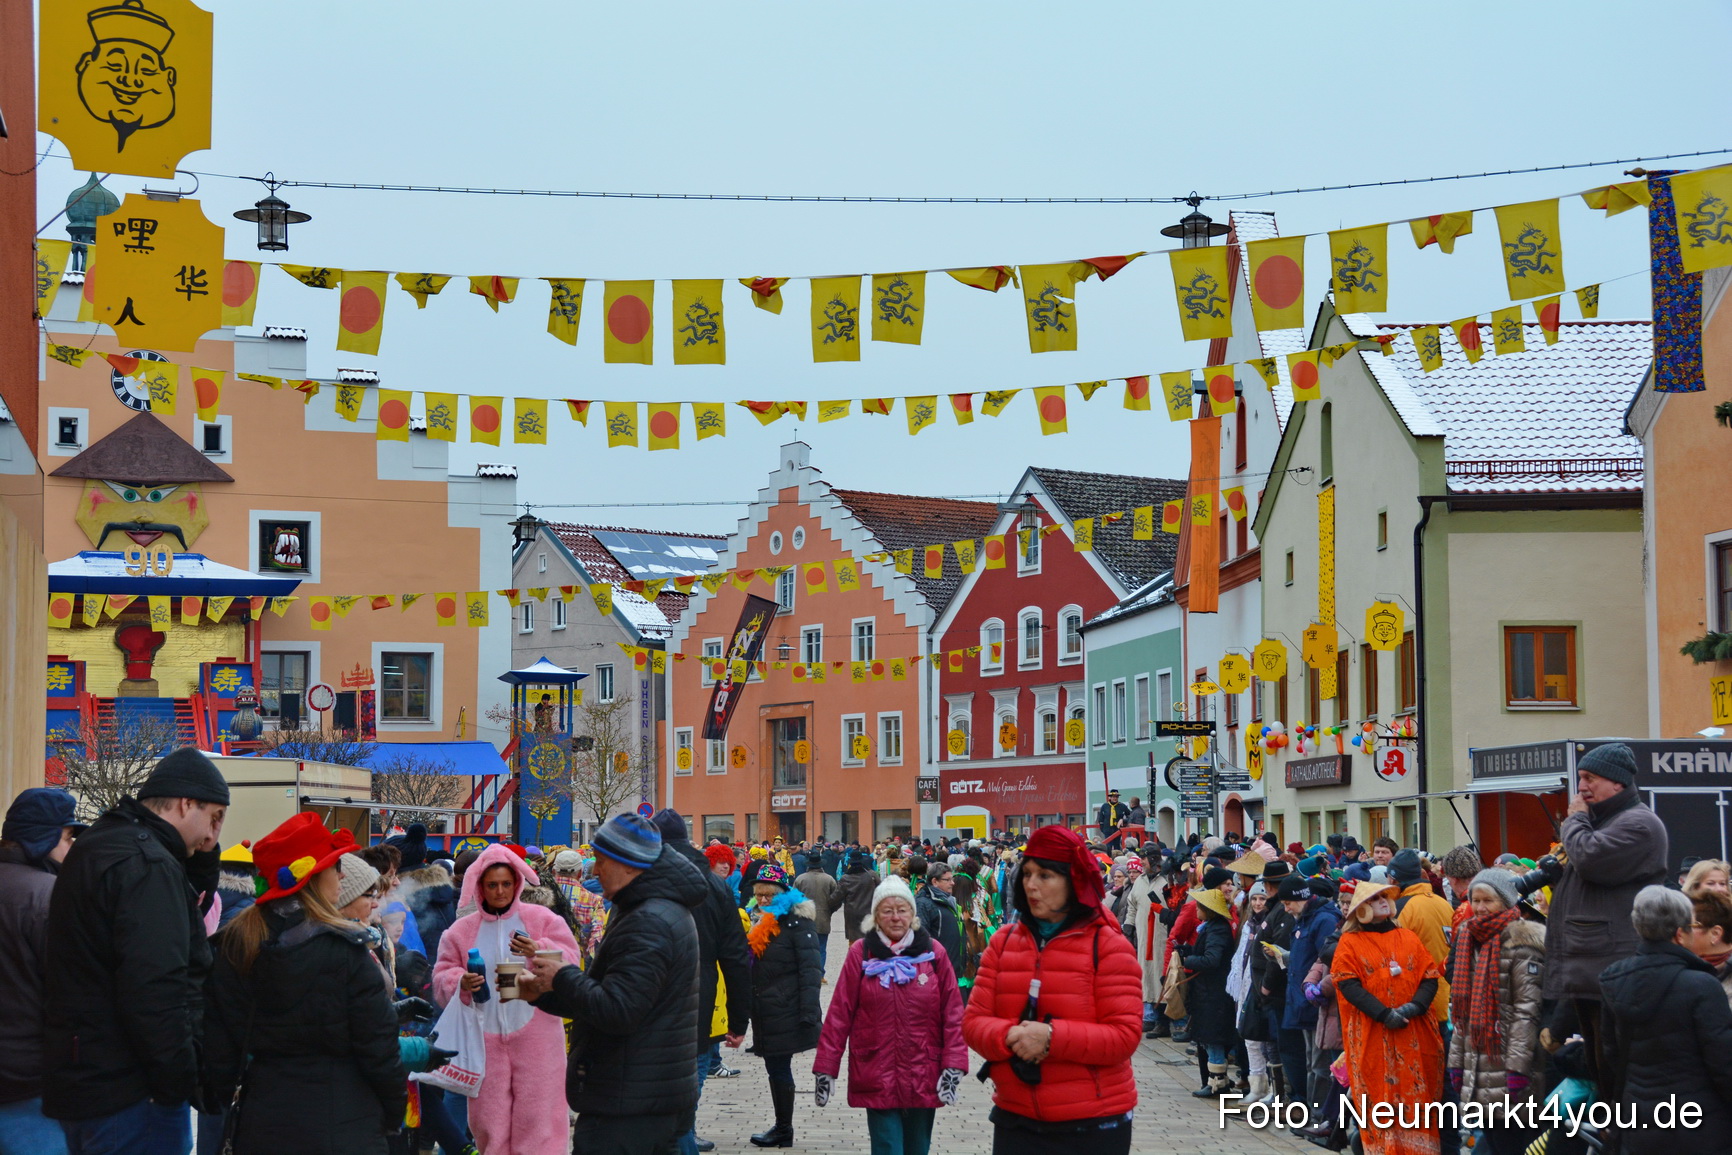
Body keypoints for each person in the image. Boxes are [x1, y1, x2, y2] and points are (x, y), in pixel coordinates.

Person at [44, 748, 228, 1154]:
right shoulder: (148, 864)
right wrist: (182, 1081)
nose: (214, 834)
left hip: (87, 1077)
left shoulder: (101, 846)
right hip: (132, 1090)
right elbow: (157, 988)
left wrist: (200, 857)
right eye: (214, 818)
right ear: (186, 804)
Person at [201, 814, 406, 1154]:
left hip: (262, 1124)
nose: (341, 874)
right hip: (346, 1126)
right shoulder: (345, 952)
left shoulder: (236, 945)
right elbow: (380, 1052)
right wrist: (391, 1115)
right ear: (312, 876)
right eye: (334, 865)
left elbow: (218, 1052)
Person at [515, 815, 708, 1155]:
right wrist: (545, 995)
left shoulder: (649, 920)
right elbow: (605, 990)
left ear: (629, 864)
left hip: (630, 1103)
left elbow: (619, 1010)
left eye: (601, 861)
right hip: (640, 1094)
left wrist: (561, 974)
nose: (594, 870)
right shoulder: (642, 908)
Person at [962, 825, 1141, 1154]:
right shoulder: (1002, 943)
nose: (1031, 884)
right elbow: (973, 1023)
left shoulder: (1109, 946)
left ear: (1073, 880)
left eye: (1045, 875)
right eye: (1027, 873)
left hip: (1094, 1122)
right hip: (1016, 1118)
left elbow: (1124, 1036)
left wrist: (1052, 1038)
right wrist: (1011, 1035)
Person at [432, 843, 581, 1155]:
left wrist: (536, 949)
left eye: (506, 884)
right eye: (492, 885)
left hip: (538, 1037)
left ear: (517, 883)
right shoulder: (461, 931)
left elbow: (571, 962)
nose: (499, 891)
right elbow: (441, 975)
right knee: (489, 1122)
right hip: (484, 1039)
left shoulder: (543, 919)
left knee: (540, 1118)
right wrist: (460, 981)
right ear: (479, 887)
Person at [812, 876, 966, 1155]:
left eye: (902, 910)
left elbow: (953, 1014)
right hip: (876, 1070)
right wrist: (826, 1067)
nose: (896, 917)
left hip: (924, 1069)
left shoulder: (934, 953)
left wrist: (954, 1065)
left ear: (912, 913)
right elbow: (839, 1013)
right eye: (887, 910)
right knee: (887, 1148)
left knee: (918, 1148)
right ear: (876, 916)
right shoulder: (862, 952)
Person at [1542, 743, 1668, 1078]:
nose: (1581, 787)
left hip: (1613, 969)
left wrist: (1576, 820)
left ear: (1618, 783)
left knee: (1618, 1071)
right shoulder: (1605, 822)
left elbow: (1591, 859)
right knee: (1602, 1070)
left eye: (1590, 778)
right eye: (1580, 778)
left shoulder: (1639, 824)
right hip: (1594, 969)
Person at [1598, 885, 1732, 1155]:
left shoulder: (1613, 980)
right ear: (1680, 934)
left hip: (1638, 1122)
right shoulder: (1701, 985)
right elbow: (1724, 1063)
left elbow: (1611, 1055)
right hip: (1700, 1123)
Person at [651, 811, 751, 1155]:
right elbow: (737, 958)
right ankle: (686, 1136)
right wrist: (739, 1020)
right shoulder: (716, 886)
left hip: (648, 1001)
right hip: (699, 998)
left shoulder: (642, 878)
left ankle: (681, 1139)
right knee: (687, 1088)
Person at [1329, 881, 1442, 1155]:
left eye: (1384, 897)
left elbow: (1429, 976)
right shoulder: (1350, 942)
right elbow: (1347, 983)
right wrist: (1383, 1014)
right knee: (1379, 1094)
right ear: (1362, 909)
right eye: (1376, 898)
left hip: (1412, 1032)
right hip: (1372, 1033)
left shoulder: (1409, 937)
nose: (1383, 901)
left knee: (1416, 1098)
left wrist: (1413, 1007)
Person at [0, 789, 84, 1154]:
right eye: (67, 838)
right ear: (43, 838)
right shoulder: (49, 895)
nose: (71, 850)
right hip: (28, 1086)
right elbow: (73, 993)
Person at [1443, 869, 1545, 1155]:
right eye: (1475, 900)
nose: (1479, 908)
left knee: (1516, 1144)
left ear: (1506, 901)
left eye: (1487, 900)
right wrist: (1457, 1063)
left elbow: (1527, 1011)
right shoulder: (1467, 940)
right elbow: (1462, 1012)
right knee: (1496, 1143)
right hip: (1478, 1063)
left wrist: (1517, 1069)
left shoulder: (1522, 943)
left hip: (1510, 1066)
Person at [742, 862, 823, 1148]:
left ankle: (783, 1129)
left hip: (786, 1007)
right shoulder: (757, 918)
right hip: (766, 1007)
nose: (764, 900)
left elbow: (812, 969)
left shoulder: (797, 921)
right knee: (774, 1066)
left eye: (769, 895)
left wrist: (809, 1011)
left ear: (782, 894)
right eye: (760, 894)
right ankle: (782, 1128)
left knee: (778, 1066)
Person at [1181, 885, 1239, 1098]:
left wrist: (1190, 960)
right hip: (1207, 992)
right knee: (1208, 1038)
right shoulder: (1211, 927)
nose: (1196, 909)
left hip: (1213, 994)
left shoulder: (1217, 929)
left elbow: (1212, 960)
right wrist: (1188, 951)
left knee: (1212, 1038)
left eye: (1199, 905)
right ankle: (1217, 1080)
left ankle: (1216, 1082)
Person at [792, 855, 843, 976]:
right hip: (823, 917)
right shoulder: (829, 879)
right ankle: (820, 974)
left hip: (804, 918)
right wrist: (830, 910)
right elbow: (836, 899)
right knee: (821, 947)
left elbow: (793, 899)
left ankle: (807, 972)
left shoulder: (800, 879)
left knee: (805, 948)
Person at [916, 863, 965, 979]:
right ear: (935, 882)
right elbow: (921, 939)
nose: (952, 883)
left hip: (953, 968)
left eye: (952, 879)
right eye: (947, 880)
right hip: (937, 972)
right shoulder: (923, 903)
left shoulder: (949, 901)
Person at [839, 849, 879, 942]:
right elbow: (881, 890)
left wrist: (829, 906)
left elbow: (837, 896)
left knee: (854, 942)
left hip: (852, 914)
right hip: (869, 911)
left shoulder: (845, 878)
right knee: (869, 940)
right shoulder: (872, 875)